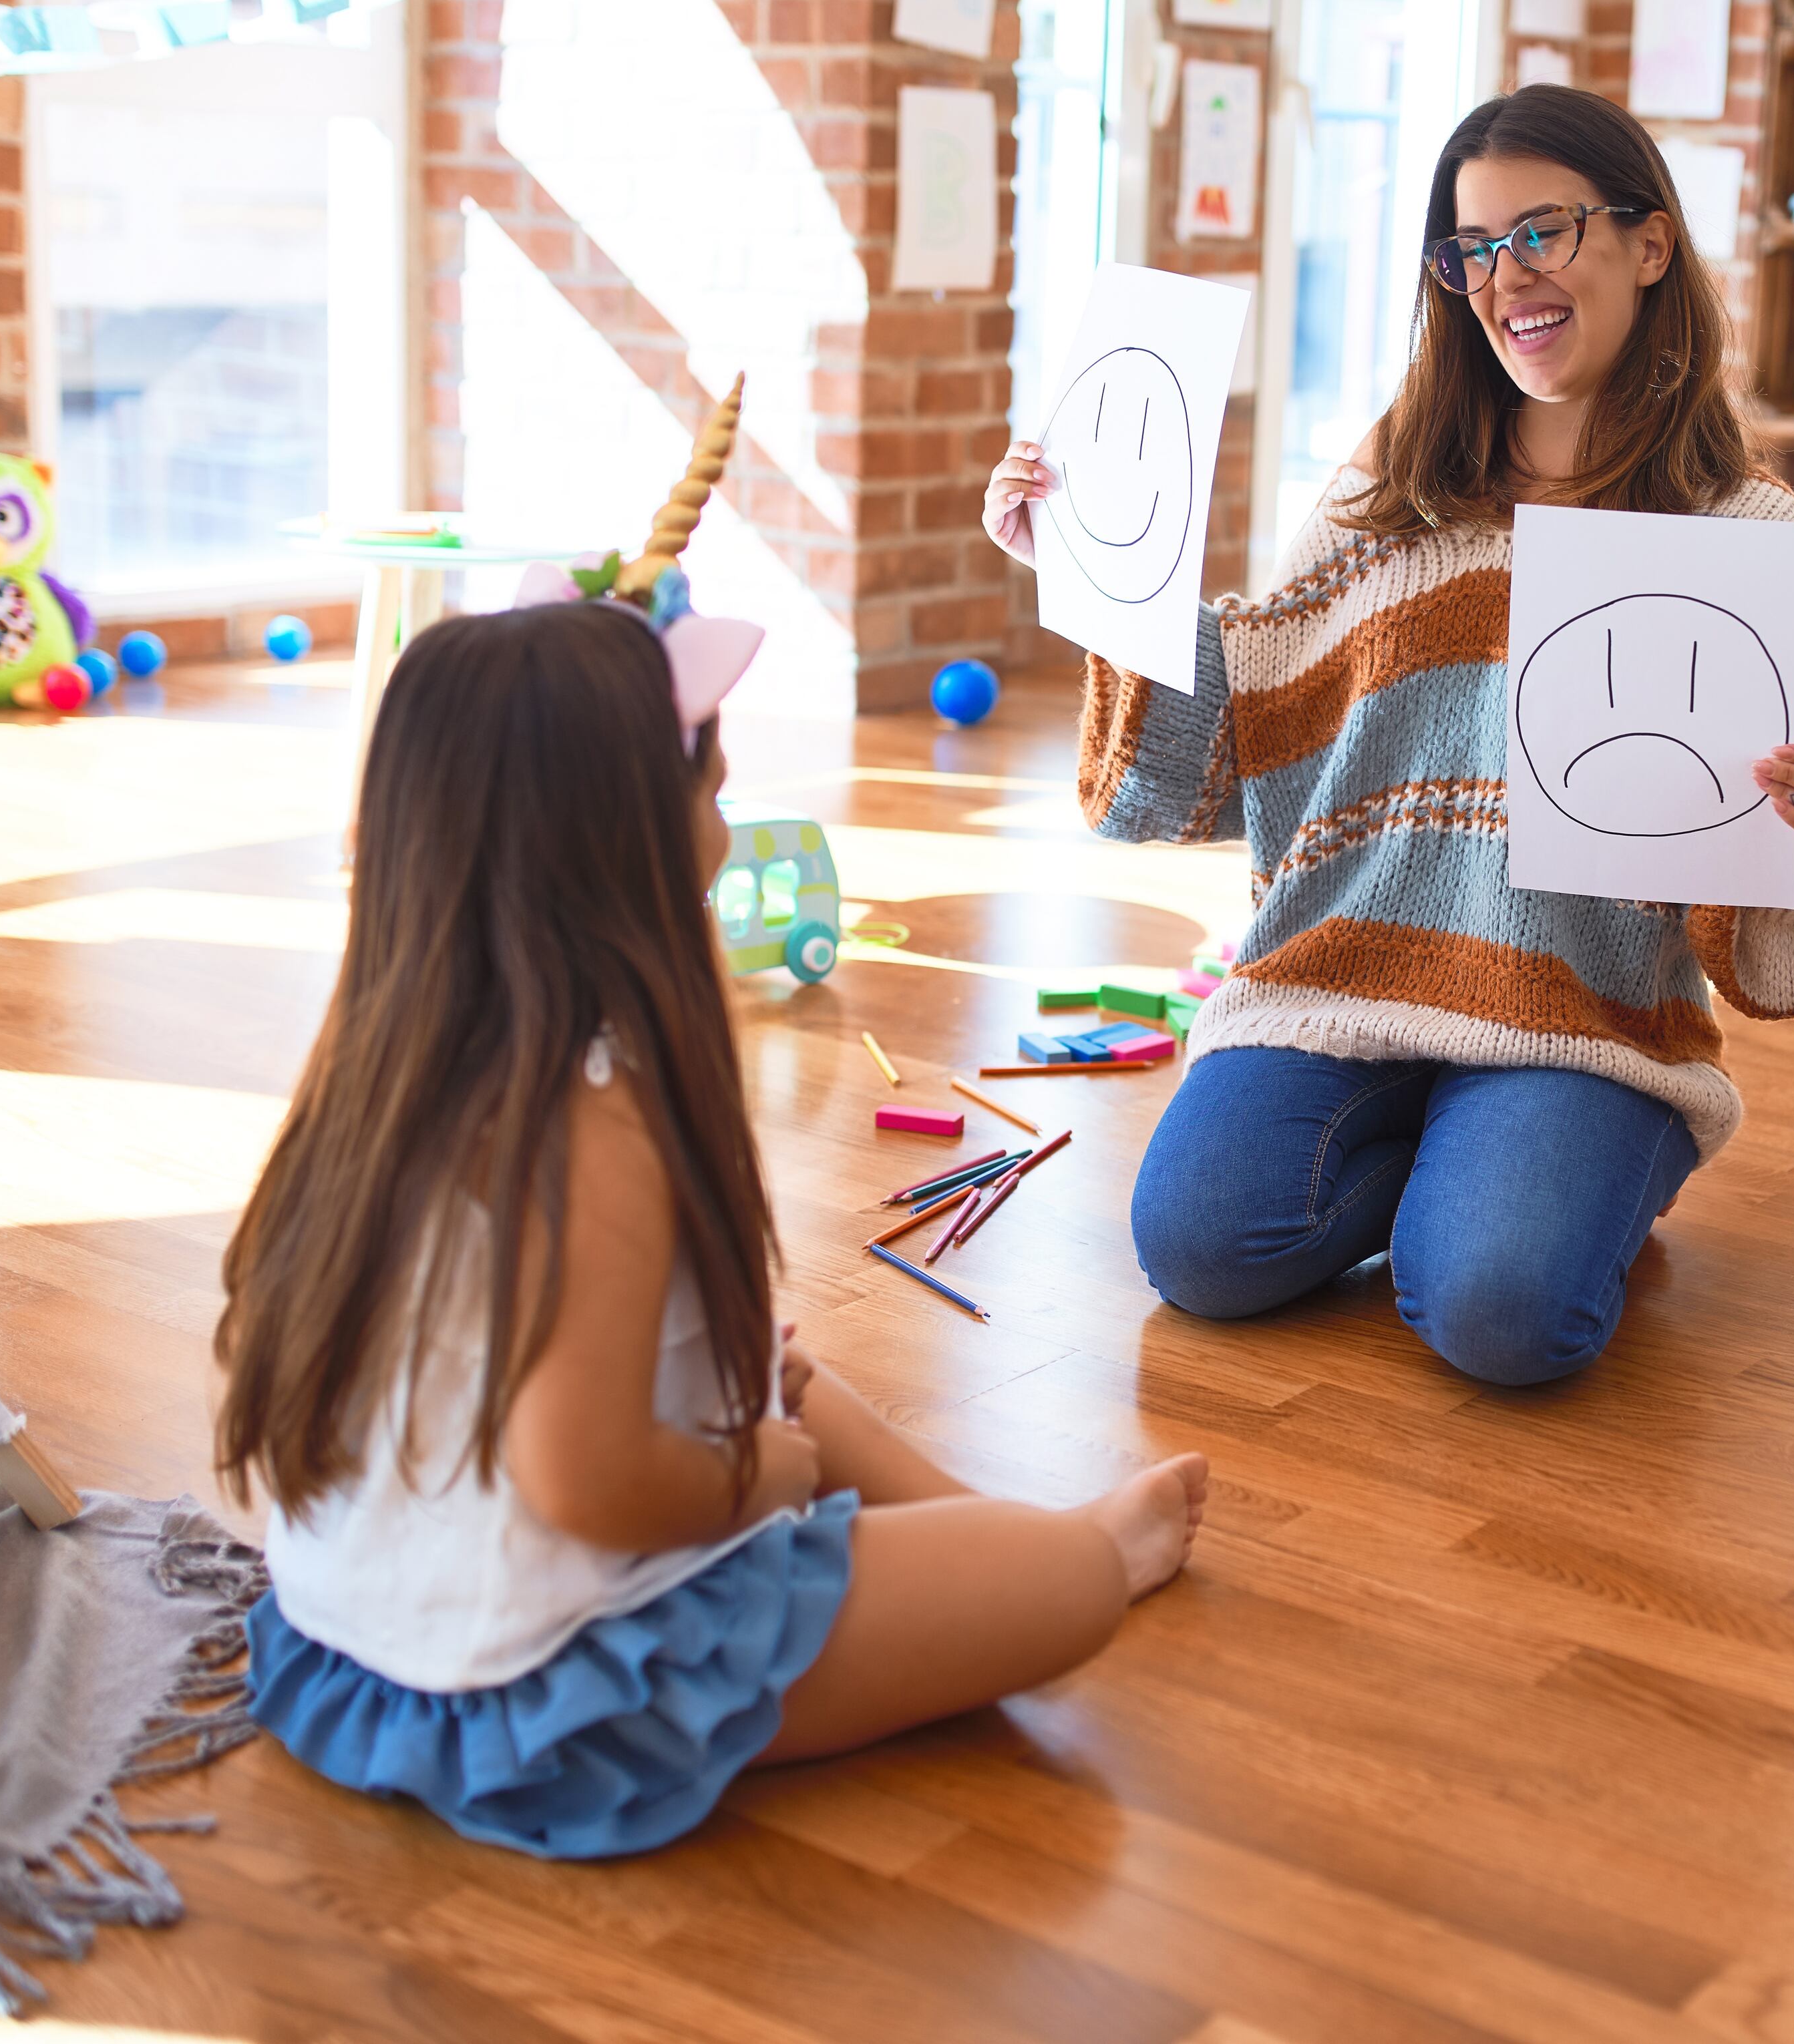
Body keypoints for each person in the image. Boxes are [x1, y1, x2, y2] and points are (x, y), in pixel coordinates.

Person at [211, 588, 1207, 1859]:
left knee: (780, 1368)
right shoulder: (595, 1117)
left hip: (360, 1631)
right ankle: (1065, 1553)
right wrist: (760, 1475)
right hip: (552, 1687)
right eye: (713, 796)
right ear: (619, 837)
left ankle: (1007, 1536)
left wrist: (757, 1416)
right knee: (1060, 1593)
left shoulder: (386, 1056)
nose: (728, 834)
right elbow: (584, 1479)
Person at [980, 84, 1794, 1386]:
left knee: (1500, 1319)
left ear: (1649, 247)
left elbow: (1771, 871)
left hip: (1573, 1017)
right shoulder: (1391, 482)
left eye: (1543, 232)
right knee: (1198, 1251)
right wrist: (1088, 565)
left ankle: (1544, 1168)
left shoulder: (1738, 529)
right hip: (1343, 985)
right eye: (1469, 248)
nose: (1501, 276)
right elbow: (1252, 702)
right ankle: (1467, 1164)